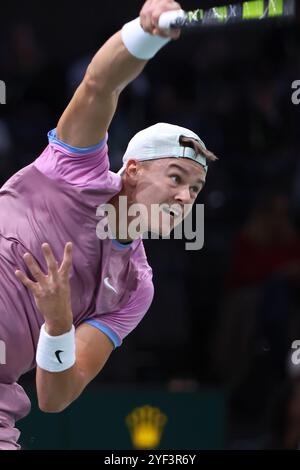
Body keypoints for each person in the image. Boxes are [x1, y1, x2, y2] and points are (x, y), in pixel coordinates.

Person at [0, 0, 216, 450]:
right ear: (133, 170)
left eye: (195, 190)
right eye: (177, 178)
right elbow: (100, 85)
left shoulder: (136, 288)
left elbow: (56, 397)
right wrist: (144, 33)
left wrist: (58, 324)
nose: (184, 197)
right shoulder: (74, 170)